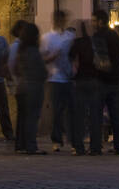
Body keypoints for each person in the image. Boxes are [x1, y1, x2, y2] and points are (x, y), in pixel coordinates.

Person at [41, 10, 75, 152]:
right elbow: (42, 58)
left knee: (71, 110)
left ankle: (73, 139)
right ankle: (56, 140)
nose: (62, 22)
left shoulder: (70, 36)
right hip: (54, 78)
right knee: (56, 111)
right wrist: (52, 57)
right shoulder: (47, 38)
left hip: (69, 78)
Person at [92, 10, 119, 153]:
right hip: (115, 79)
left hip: (101, 79)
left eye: (94, 20)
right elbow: (118, 57)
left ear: (100, 21)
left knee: (96, 114)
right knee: (115, 115)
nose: (92, 23)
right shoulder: (114, 36)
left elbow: (98, 58)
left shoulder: (98, 36)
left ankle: (96, 146)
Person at [70, 19, 101, 155]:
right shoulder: (96, 43)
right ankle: (95, 147)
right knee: (95, 115)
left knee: (79, 116)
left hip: (81, 80)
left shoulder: (77, 43)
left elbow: (70, 58)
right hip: (95, 80)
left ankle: (79, 146)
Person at [16, 21, 47, 153]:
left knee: (23, 118)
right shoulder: (33, 51)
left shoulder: (21, 49)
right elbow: (41, 71)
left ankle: (21, 145)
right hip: (33, 87)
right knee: (32, 118)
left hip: (22, 86)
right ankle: (31, 145)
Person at [9, 20, 28, 152]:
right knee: (23, 114)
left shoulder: (18, 46)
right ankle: (21, 142)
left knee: (23, 114)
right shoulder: (16, 46)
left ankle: (21, 142)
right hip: (21, 84)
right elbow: (12, 65)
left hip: (20, 83)